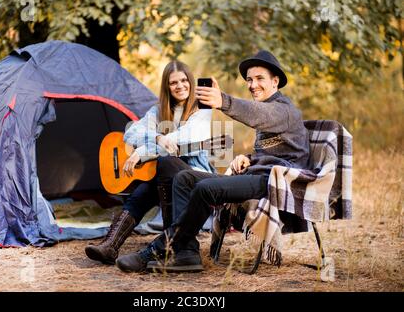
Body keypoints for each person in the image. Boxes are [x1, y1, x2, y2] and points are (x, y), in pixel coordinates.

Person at [115, 50, 310, 273]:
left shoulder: (284, 110)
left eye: (259, 78)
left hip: (275, 181)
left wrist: (223, 101)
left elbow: (259, 115)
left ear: (275, 81)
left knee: (206, 188)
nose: (252, 84)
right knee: (184, 177)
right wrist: (248, 158)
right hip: (258, 174)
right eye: (249, 79)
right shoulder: (158, 111)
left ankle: (157, 249)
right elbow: (280, 150)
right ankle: (187, 254)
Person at [84, 60, 214, 265]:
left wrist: (143, 153)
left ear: (190, 81)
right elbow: (132, 132)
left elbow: (183, 138)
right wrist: (156, 138)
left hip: (194, 176)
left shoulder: (202, 110)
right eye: (173, 83)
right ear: (167, 87)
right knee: (143, 191)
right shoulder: (159, 111)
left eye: (183, 80)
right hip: (166, 176)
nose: (180, 86)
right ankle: (110, 246)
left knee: (167, 163)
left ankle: (171, 246)